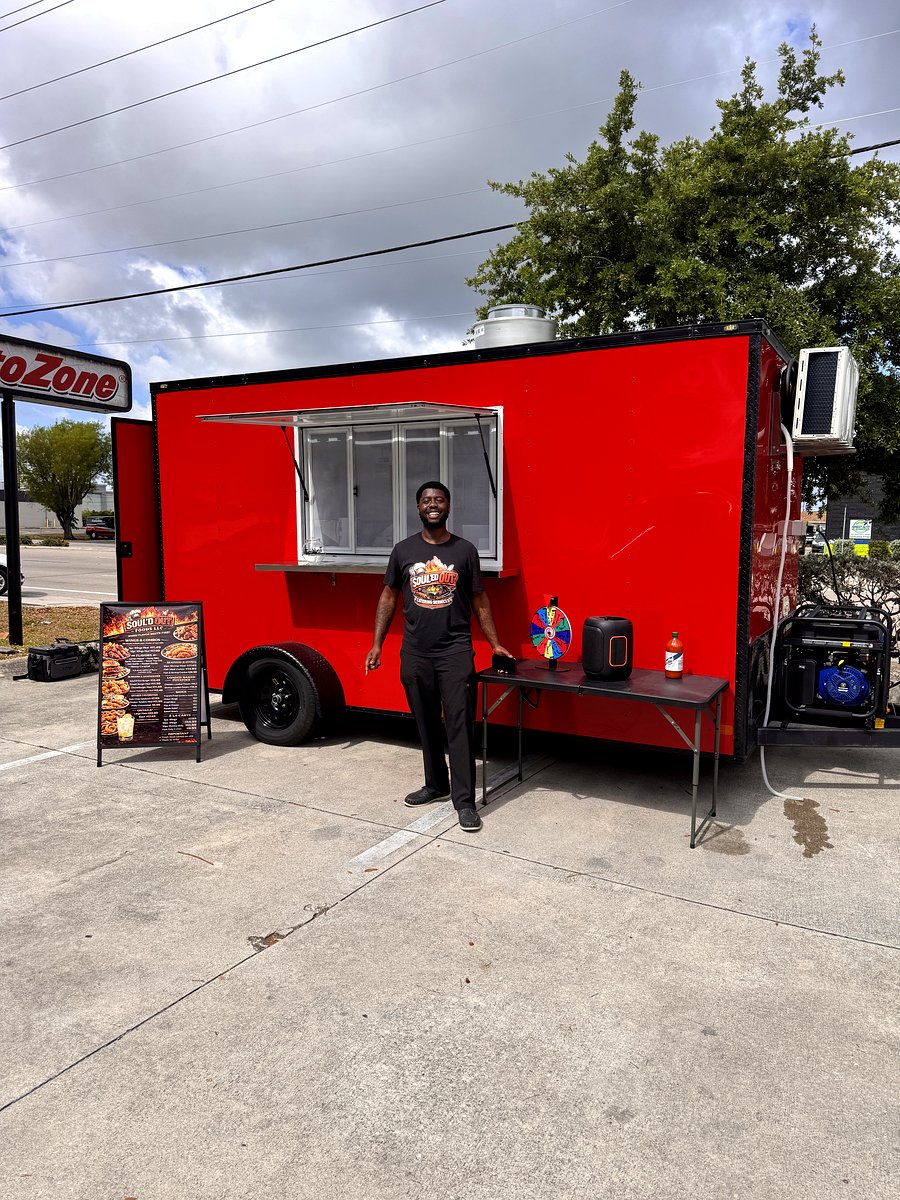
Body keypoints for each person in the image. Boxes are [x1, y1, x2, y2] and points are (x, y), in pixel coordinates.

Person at [365, 481, 513, 832]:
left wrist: (494, 642)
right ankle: (436, 785)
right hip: (415, 652)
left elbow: (479, 600)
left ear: (448, 507)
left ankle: (464, 802)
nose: (433, 505)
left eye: (440, 500)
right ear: (418, 508)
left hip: (455, 651)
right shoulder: (402, 551)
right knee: (426, 722)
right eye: (427, 500)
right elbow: (388, 598)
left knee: (459, 725)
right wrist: (377, 644)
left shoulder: (465, 551)